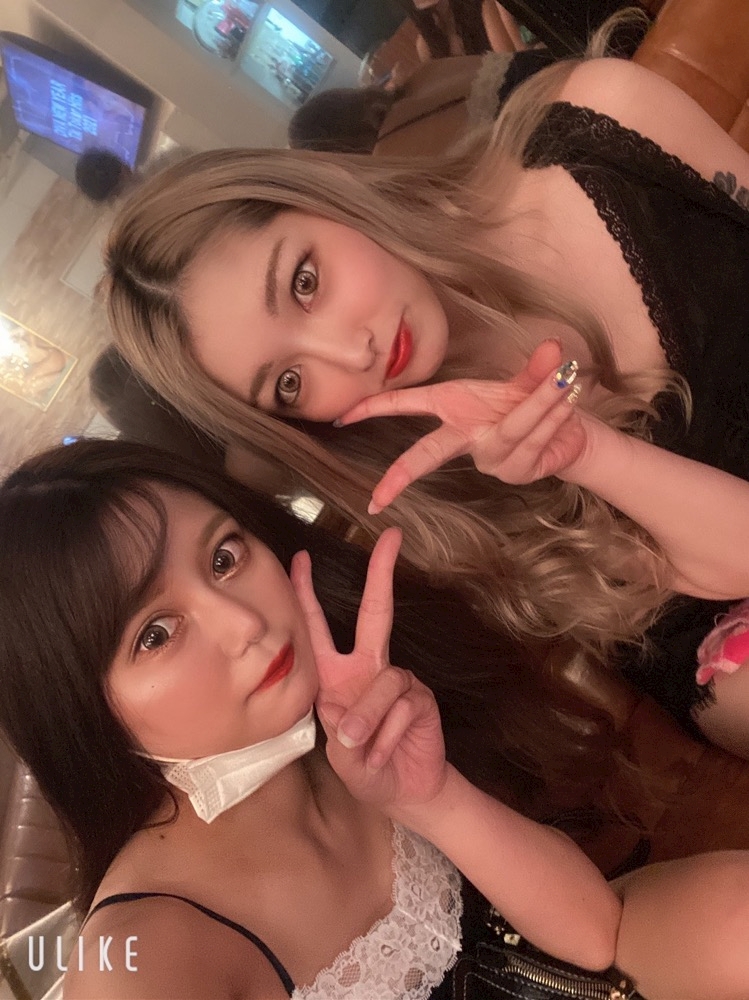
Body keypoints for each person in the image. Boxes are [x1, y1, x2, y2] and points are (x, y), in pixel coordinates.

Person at [102, 34, 749, 747]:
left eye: (305, 282)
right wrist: (584, 453)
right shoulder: (447, 497)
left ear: (323, 197)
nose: (353, 351)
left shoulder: (598, 128)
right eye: (289, 382)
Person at [3, 439, 749, 1000]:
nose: (243, 623)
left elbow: (591, 936)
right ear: (80, 715)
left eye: (224, 558)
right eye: (156, 634)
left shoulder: (351, 720)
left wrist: (432, 798)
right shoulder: (141, 962)